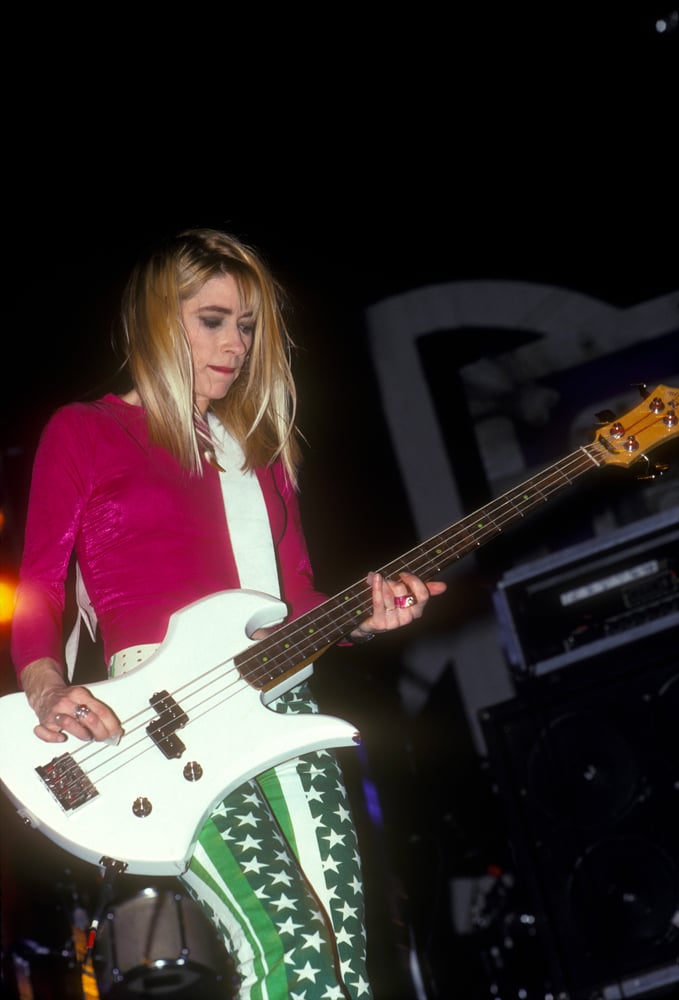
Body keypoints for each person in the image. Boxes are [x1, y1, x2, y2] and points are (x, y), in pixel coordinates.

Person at [9, 227, 447, 999]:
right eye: (213, 320)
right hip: (162, 721)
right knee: (292, 945)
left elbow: (297, 599)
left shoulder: (258, 450)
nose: (236, 343)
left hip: (278, 703)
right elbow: (40, 588)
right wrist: (47, 689)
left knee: (345, 960)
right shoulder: (86, 432)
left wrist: (365, 614)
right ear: (155, 319)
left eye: (246, 326)